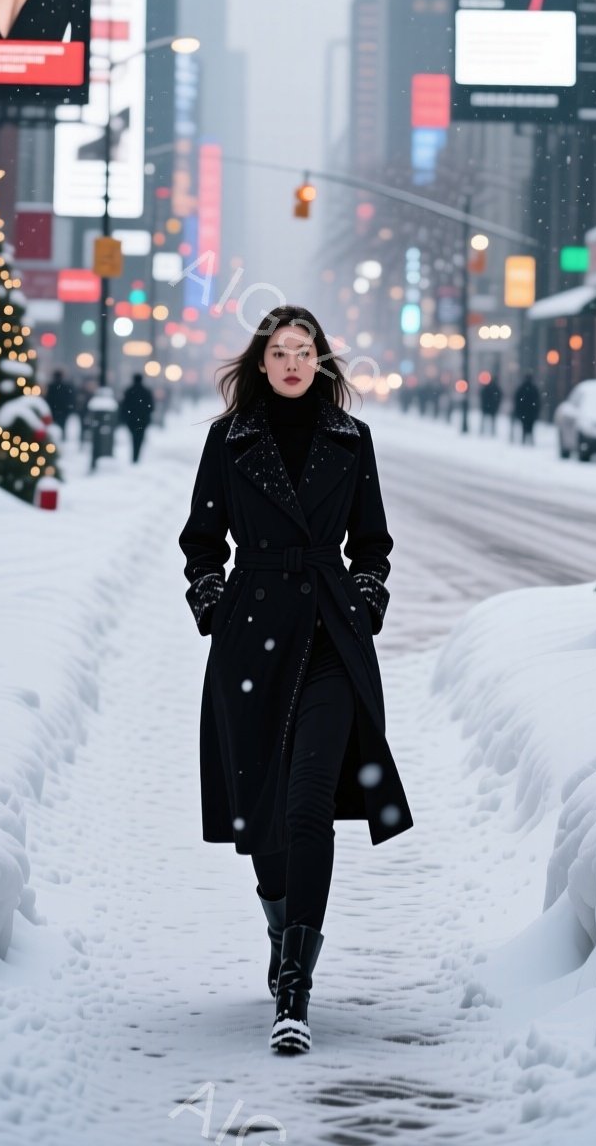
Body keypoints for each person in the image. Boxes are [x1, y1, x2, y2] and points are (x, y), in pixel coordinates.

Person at [179, 305, 413, 1057]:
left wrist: (368, 598)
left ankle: (294, 985)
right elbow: (201, 541)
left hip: (330, 637)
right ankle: (282, 924)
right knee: (264, 818)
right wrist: (212, 599)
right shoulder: (230, 439)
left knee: (310, 801)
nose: (290, 363)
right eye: (278, 351)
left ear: (320, 361)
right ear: (261, 362)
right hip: (251, 637)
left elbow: (372, 542)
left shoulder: (352, 439)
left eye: (303, 351)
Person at [120, 373, 154, 463]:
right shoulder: (146, 391)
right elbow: (151, 407)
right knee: (139, 438)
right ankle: (136, 456)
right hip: (142, 420)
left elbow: (124, 405)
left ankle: (134, 457)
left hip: (131, 420)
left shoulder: (129, 391)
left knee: (134, 437)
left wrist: (125, 417)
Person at [45, 369, 78, 436]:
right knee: (62, 425)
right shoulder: (66, 386)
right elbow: (70, 398)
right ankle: (61, 436)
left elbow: (48, 398)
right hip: (63, 410)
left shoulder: (51, 386)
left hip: (54, 409)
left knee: (54, 425)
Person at [512, 372, 541, 444]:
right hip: (531, 412)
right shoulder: (534, 389)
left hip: (524, 411)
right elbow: (537, 401)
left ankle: (524, 439)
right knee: (531, 426)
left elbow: (517, 400)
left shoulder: (522, 388)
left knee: (524, 426)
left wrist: (518, 410)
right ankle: (530, 440)